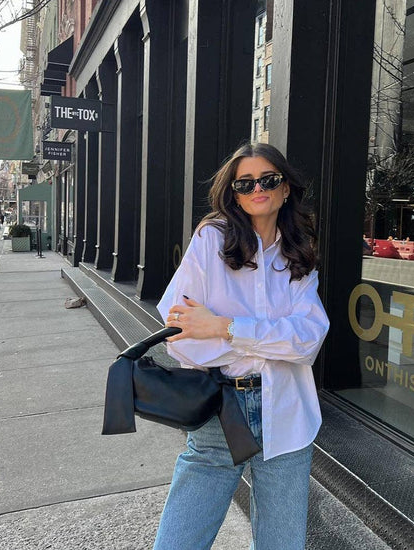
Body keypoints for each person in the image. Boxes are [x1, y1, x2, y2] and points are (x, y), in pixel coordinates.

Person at [154, 143, 330, 550]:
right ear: (233, 193)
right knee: (179, 543)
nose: (257, 189)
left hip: (287, 411)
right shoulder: (211, 240)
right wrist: (270, 341)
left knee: (282, 544)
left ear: (285, 188)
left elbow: (308, 340)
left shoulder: (298, 251)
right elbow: (180, 337)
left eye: (268, 180)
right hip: (221, 407)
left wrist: (224, 327)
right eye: (245, 183)